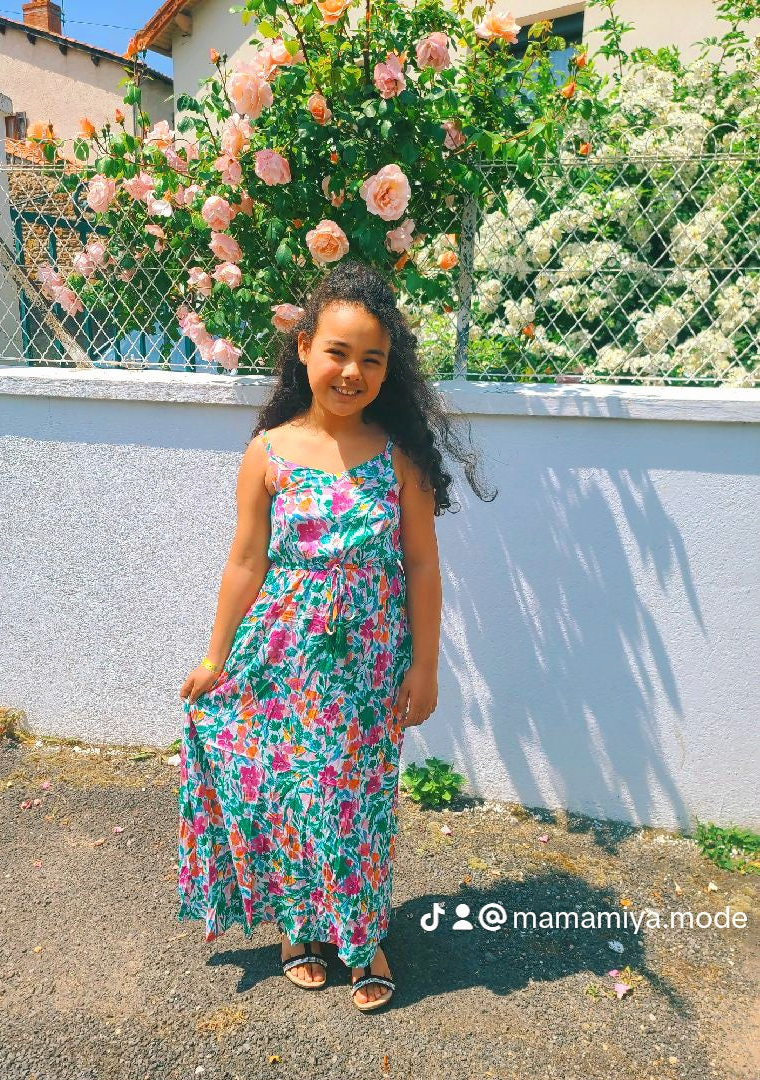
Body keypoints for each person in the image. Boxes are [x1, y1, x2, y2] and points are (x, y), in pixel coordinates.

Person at [177, 258, 497, 1012]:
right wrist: (216, 655)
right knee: (291, 795)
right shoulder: (268, 452)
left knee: (355, 801)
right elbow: (246, 561)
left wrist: (426, 667)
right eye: (338, 352)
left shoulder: (400, 458)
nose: (352, 372)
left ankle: (362, 935)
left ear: (389, 369)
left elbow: (422, 566)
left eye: (372, 359)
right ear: (304, 350)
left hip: (367, 667)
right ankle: (298, 927)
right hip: (280, 660)